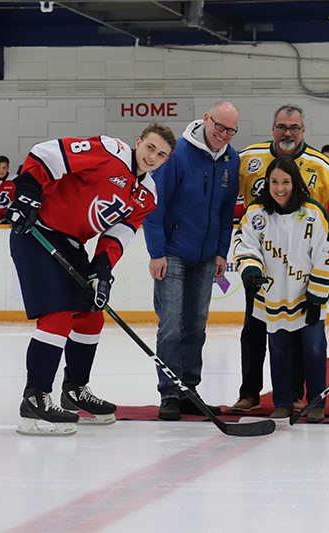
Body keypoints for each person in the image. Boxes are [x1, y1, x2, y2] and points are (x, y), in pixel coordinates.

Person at [8, 123, 175, 436]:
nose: (153, 156)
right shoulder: (108, 151)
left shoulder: (147, 193)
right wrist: (28, 194)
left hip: (72, 243)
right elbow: (47, 155)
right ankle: (35, 399)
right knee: (57, 314)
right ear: (138, 142)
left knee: (90, 314)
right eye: (150, 147)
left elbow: (121, 231)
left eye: (162, 154)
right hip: (37, 232)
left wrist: (103, 267)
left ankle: (74, 392)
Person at [231, 103, 329, 413]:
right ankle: (250, 394)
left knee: (298, 340)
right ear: (273, 128)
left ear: (303, 130)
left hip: (300, 273)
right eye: (282, 126)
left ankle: (295, 395)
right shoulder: (248, 159)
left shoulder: (320, 165)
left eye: (293, 127)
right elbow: (224, 197)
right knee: (253, 334)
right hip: (263, 273)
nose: (287, 132)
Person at [142, 102, 241, 421]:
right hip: (172, 253)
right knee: (171, 326)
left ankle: (189, 391)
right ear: (206, 120)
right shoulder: (177, 154)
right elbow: (154, 205)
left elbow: (227, 212)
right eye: (219, 127)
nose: (223, 135)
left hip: (206, 257)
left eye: (231, 130)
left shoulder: (231, 159)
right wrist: (156, 252)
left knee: (196, 327)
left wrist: (221, 251)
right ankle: (169, 393)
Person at [234, 156, 329, 423]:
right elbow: (245, 245)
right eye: (274, 182)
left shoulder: (314, 213)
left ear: (296, 182)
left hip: (308, 296)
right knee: (278, 348)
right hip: (273, 295)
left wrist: (317, 295)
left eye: (286, 182)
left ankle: (316, 401)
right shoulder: (256, 213)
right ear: (266, 183)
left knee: (314, 348)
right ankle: (282, 401)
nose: (280, 188)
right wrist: (251, 270)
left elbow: (328, 253)